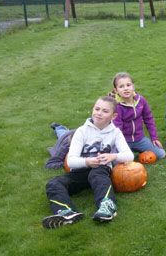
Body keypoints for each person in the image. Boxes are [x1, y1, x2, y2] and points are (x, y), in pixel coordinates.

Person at [42, 96, 133, 228]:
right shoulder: (81, 131)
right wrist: (87, 162)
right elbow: (71, 160)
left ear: (113, 116)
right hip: (81, 171)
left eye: (105, 111)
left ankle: (107, 206)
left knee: (97, 174)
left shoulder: (115, 133)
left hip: (101, 171)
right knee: (53, 183)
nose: (99, 113)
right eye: (97, 109)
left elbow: (129, 155)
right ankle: (66, 212)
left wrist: (112, 157)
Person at [111, 72, 166, 160]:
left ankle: (139, 150)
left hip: (140, 139)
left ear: (133, 86)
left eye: (128, 85)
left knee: (161, 154)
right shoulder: (117, 106)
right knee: (122, 161)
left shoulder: (141, 100)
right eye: (121, 86)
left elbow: (149, 119)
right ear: (116, 90)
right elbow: (117, 128)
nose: (126, 88)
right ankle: (128, 152)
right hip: (124, 141)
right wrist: (120, 145)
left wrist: (154, 137)